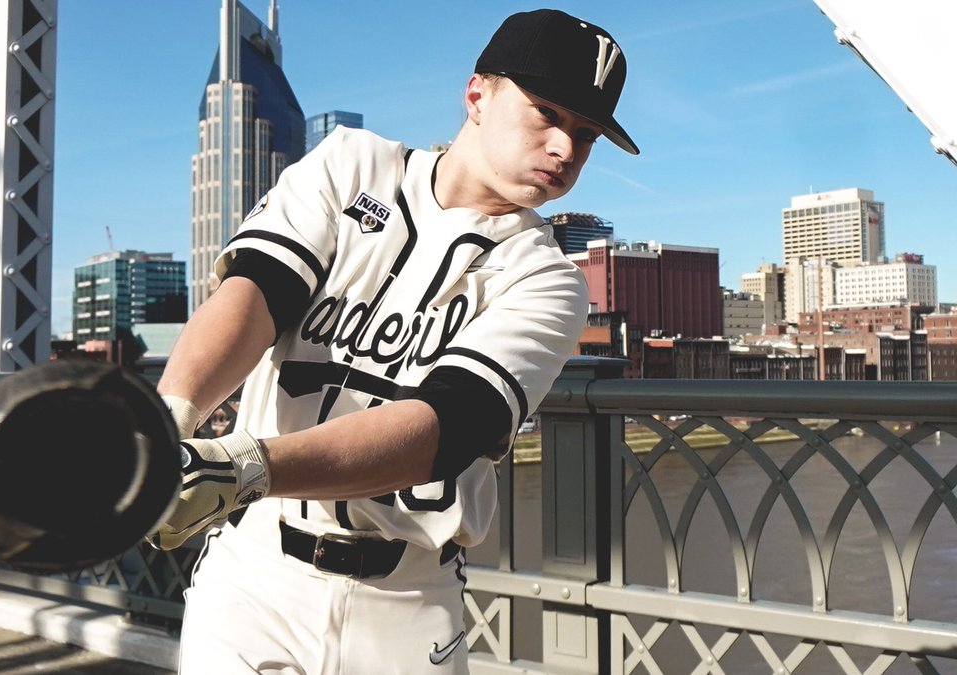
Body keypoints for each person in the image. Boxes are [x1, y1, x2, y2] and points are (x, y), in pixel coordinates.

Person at [151, 8, 638, 673]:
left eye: (586, 135)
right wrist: (172, 416)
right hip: (254, 577)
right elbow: (256, 294)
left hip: (406, 598)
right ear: (477, 94)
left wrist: (242, 467)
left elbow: (445, 426)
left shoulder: (549, 279)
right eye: (547, 113)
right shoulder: (351, 165)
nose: (565, 149)